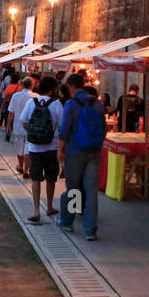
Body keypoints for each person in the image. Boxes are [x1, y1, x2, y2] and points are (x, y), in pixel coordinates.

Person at [57, 74, 106, 240]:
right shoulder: (97, 103)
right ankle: (90, 230)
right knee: (91, 191)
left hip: (74, 151)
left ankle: (68, 223)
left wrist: (60, 150)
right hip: (94, 152)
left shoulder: (71, 104)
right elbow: (103, 128)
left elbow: (64, 130)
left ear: (71, 86)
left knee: (73, 188)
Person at [17, 76, 63, 224]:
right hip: (52, 147)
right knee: (51, 178)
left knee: (35, 178)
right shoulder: (57, 105)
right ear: (52, 89)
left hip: (34, 148)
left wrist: (33, 131)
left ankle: (36, 210)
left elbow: (23, 122)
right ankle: (49, 206)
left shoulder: (32, 102)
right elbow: (62, 127)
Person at [7, 77, 35, 178]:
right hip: (31, 126)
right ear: (32, 85)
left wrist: (8, 126)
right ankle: (27, 169)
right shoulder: (35, 96)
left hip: (18, 124)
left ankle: (21, 166)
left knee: (19, 147)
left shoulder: (16, 96)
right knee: (29, 147)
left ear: (22, 85)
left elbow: (11, 112)